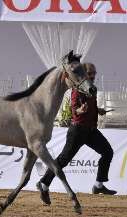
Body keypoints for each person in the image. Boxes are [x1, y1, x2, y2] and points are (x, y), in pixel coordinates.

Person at [36, 63, 116, 205]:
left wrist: (98, 110)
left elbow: (91, 106)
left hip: (91, 130)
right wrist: (81, 110)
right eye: (90, 73)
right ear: (84, 74)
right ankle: (43, 184)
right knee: (63, 159)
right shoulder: (77, 89)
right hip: (77, 131)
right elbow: (74, 110)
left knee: (107, 152)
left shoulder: (92, 89)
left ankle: (98, 185)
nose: (93, 76)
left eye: (94, 73)